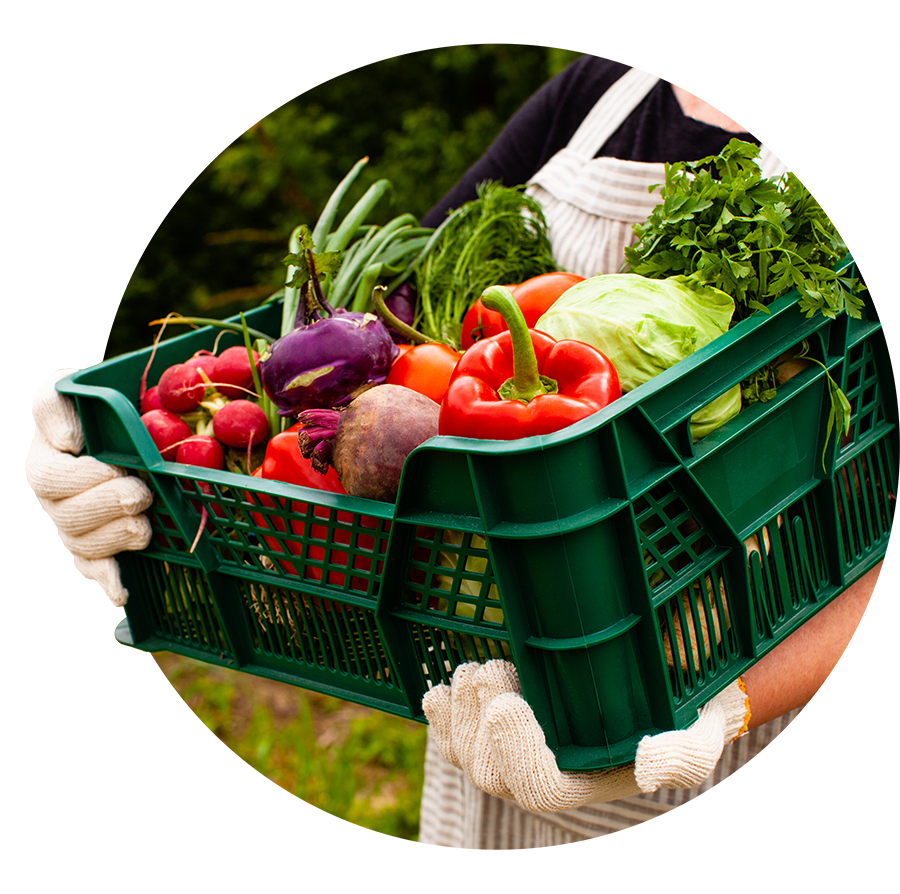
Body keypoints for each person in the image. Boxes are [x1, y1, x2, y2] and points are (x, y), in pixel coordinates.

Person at [26, 53, 884, 850]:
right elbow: (377, 331)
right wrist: (125, 423)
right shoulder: (600, 95)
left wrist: (732, 704)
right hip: (494, 730)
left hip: (768, 766)